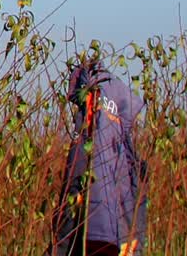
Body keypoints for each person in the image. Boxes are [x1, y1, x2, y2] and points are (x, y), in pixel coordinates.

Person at [48, 57, 149, 256]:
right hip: (115, 232)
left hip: (97, 232)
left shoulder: (92, 119)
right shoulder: (118, 132)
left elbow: (76, 176)